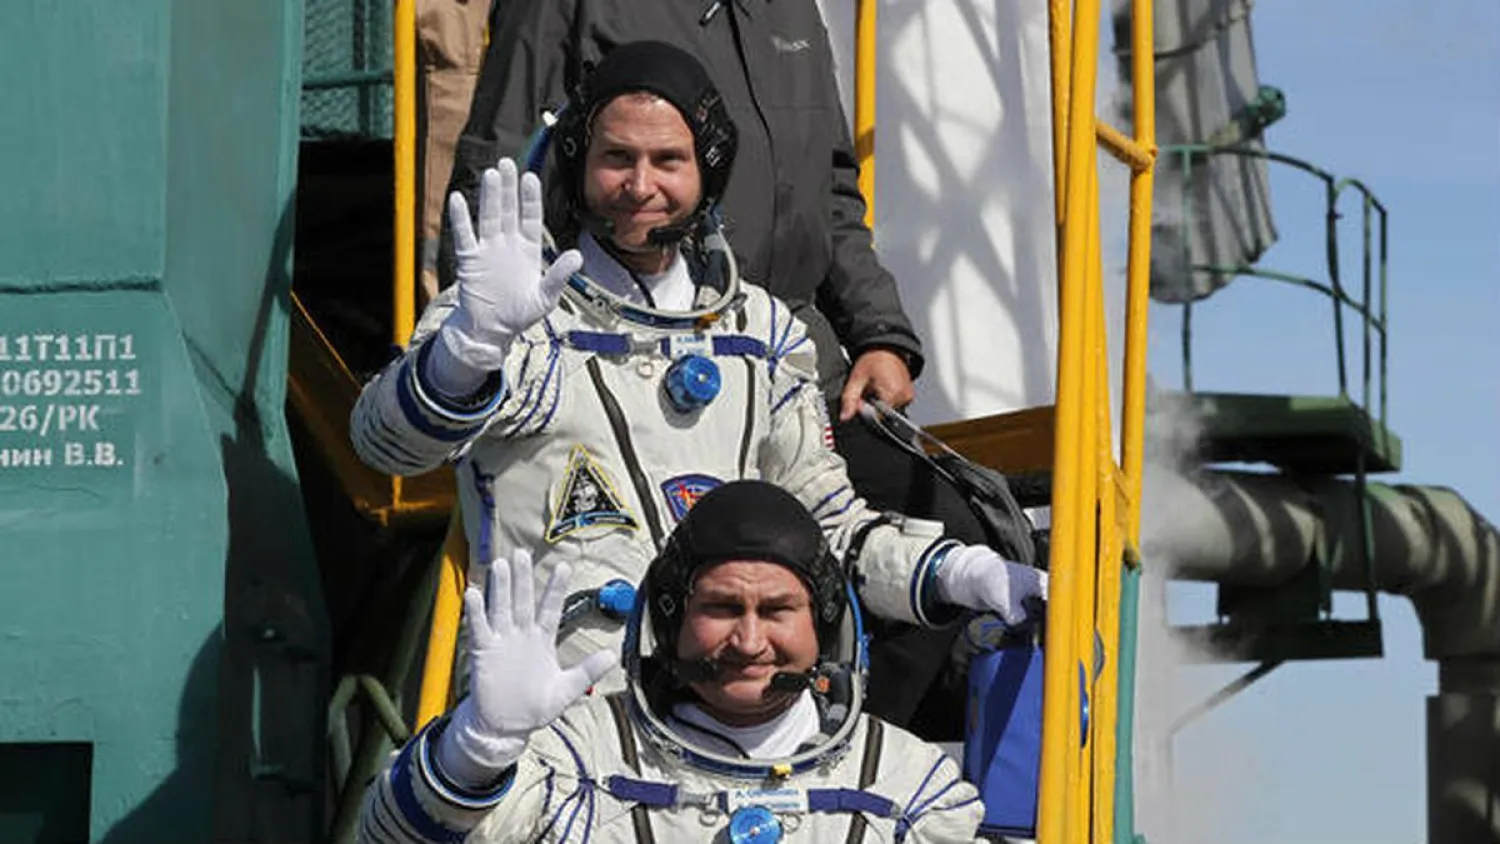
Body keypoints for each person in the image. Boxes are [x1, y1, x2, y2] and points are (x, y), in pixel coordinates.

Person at [351, 41, 1044, 685]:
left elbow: (830, 531)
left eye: (668, 161)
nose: (640, 184)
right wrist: (469, 353)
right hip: (557, 719)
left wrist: (962, 572)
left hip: (727, 725)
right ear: (578, 164)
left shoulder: (764, 335)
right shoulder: (516, 315)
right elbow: (388, 446)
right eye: (616, 158)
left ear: (708, 170)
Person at [356, 480, 985, 843]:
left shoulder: (907, 788)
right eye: (720, 607)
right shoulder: (579, 759)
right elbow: (389, 837)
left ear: (823, 625)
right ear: (669, 619)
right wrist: (480, 745)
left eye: (776, 611)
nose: (747, 640)